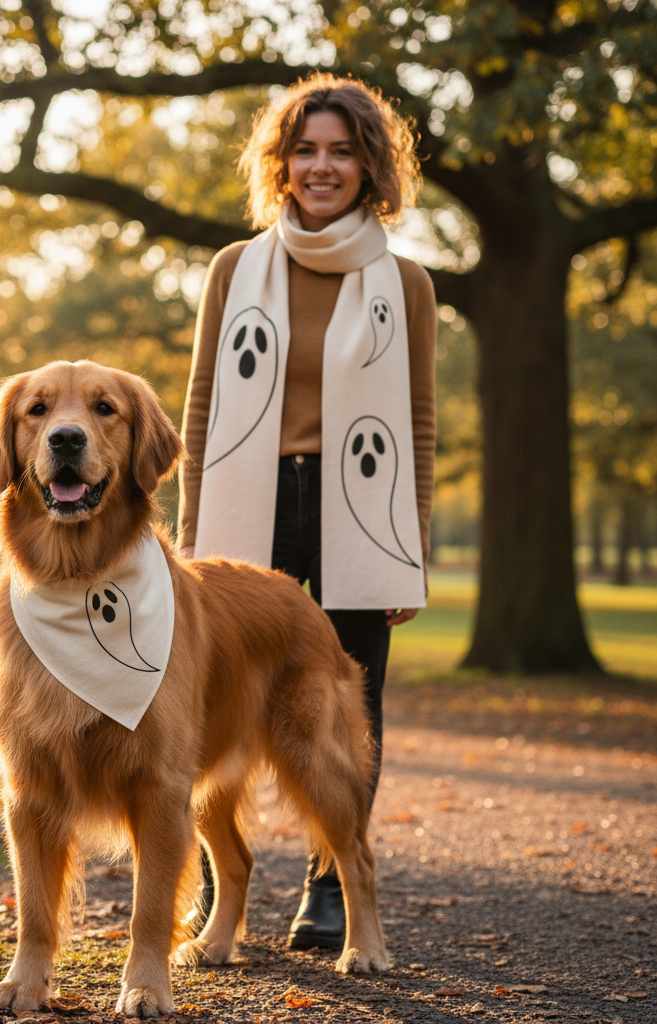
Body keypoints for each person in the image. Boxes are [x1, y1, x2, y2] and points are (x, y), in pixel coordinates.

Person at [178, 72, 436, 951]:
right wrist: (190, 530)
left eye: (342, 151)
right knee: (216, 693)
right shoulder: (234, 270)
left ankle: (333, 886)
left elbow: (421, 421)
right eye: (305, 150)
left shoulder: (405, 285)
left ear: (370, 166)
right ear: (281, 165)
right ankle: (222, 890)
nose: (322, 166)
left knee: (345, 705)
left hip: (361, 505)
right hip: (251, 497)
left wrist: (412, 546)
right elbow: (204, 404)